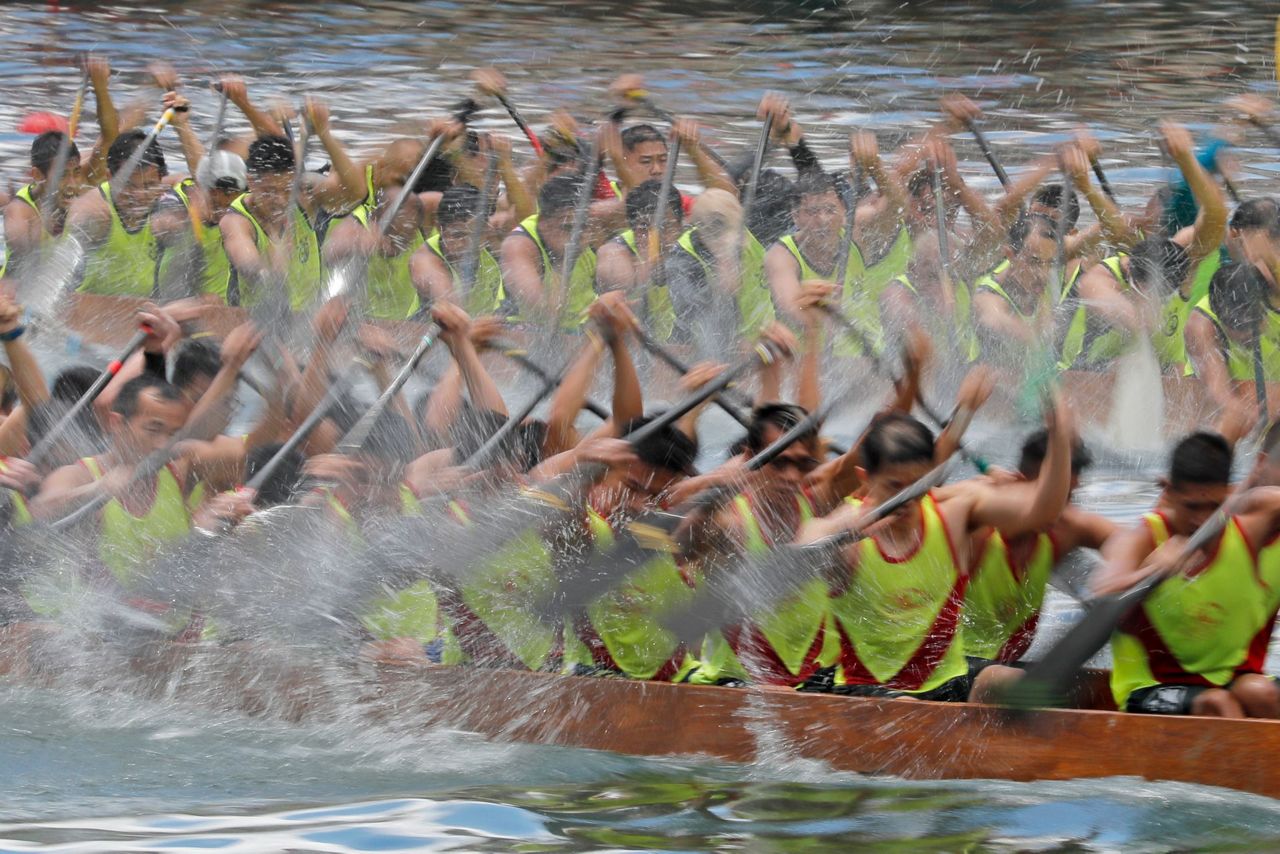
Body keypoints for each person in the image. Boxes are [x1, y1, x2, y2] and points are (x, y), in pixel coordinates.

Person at [795, 386, 1072, 702]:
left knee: (1018, 684)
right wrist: (849, 532)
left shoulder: (954, 514)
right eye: (894, 486)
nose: (906, 498)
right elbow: (806, 540)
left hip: (945, 683)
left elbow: (1043, 511)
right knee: (907, 706)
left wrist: (1060, 436)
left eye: (916, 485)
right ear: (864, 478)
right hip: (867, 691)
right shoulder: (846, 527)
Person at [1091, 431, 1280, 718]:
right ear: (1168, 491)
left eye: (1213, 507)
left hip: (1231, 680)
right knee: (1217, 704)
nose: (1201, 520)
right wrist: (1154, 570)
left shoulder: (1248, 528)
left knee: (1261, 693)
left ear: (1229, 496)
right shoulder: (1140, 539)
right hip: (1150, 686)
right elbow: (1101, 593)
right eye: (1191, 506)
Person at [961, 429, 1116, 664]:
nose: (1057, 513)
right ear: (1021, 483)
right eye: (1051, 499)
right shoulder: (976, 528)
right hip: (952, 670)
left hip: (1004, 672)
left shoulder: (1065, 528)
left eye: (1067, 499)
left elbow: (1132, 541)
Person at [65, 128, 168, 296]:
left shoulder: (165, 205)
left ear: (160, 181)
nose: (140, 196)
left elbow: (202, 184)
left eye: (149, 186)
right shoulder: (93, 213)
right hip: (85, 310)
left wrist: (182, 126)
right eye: (128, 185)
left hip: (142, 312)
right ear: (109, 177)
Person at [500, 173, 600, 329]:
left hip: (578, 332)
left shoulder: (592, 231)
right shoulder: (518, 247)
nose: (577, 238)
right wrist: (561, 261)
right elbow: (545, 315)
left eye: (584, 227)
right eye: (568, 228)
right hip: (523, 330)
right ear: (543, 223)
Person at [594, 178, 683, 341]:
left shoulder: (689, 248)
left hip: (668, 341)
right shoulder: (614, 252)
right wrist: (648, 262)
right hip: (622, 343)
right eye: (644, 228)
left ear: (680, 226)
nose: (656, 238)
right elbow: (621, 279)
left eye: (666, 226)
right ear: (632, 228)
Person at [411, 183, 508, 317]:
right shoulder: (425, 261)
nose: (469, 244)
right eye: (458, 235)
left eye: (476, 234)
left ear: (486, 228)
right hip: (424, 333)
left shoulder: (493, 241)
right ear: (440, 228)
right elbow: (454, 314)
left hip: (473, 332)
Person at [2, 131, 86, 280]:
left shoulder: (75, 189)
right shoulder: (20, 214)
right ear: (37, 175)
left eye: (77, 173)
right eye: (62, 175)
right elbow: (21, 271)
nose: (73, 184)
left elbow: (105, 141)